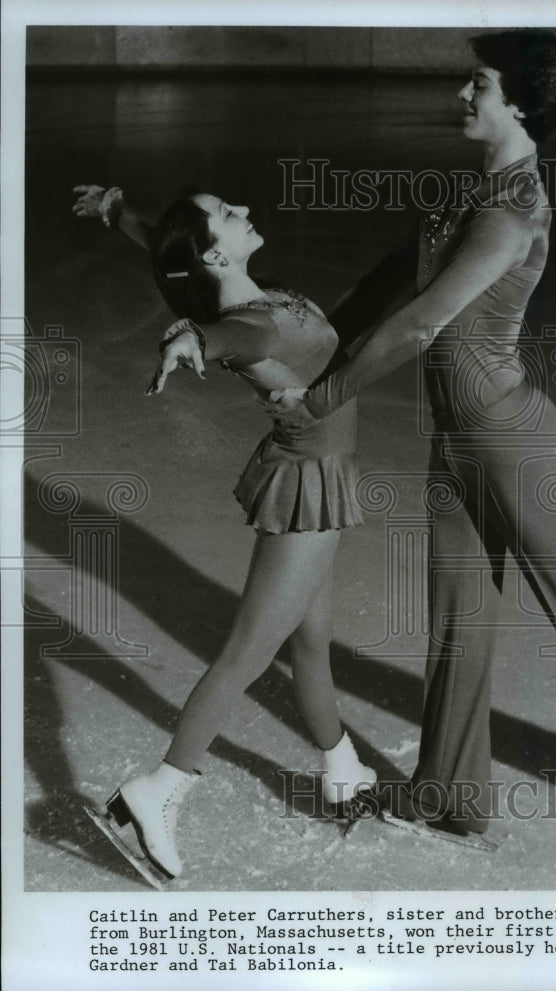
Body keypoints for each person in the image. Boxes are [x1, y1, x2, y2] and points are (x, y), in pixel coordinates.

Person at [256, 28, 556, 844]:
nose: (461, 97)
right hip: (457, 439)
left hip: (510, 435)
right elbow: (375, 295)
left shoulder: (515, 206)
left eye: (479, 84)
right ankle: (449, 792)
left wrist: (323, 397)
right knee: (459, 612)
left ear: (522, 103)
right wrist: (275, 328)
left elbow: (422, 325)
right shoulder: (467, 197)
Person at [72, 186, 377, 887]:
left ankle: (342, 769)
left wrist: (121, 212)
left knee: (308, 642)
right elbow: (225, 337)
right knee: (248, 653)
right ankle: (158, 790)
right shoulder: (250, 325)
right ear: (216, 252)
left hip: (320, 478)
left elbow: (168, 242)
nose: (244, 207)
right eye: (230, 214)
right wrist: (188, 339)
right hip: (308, 488)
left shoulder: (250, 289)